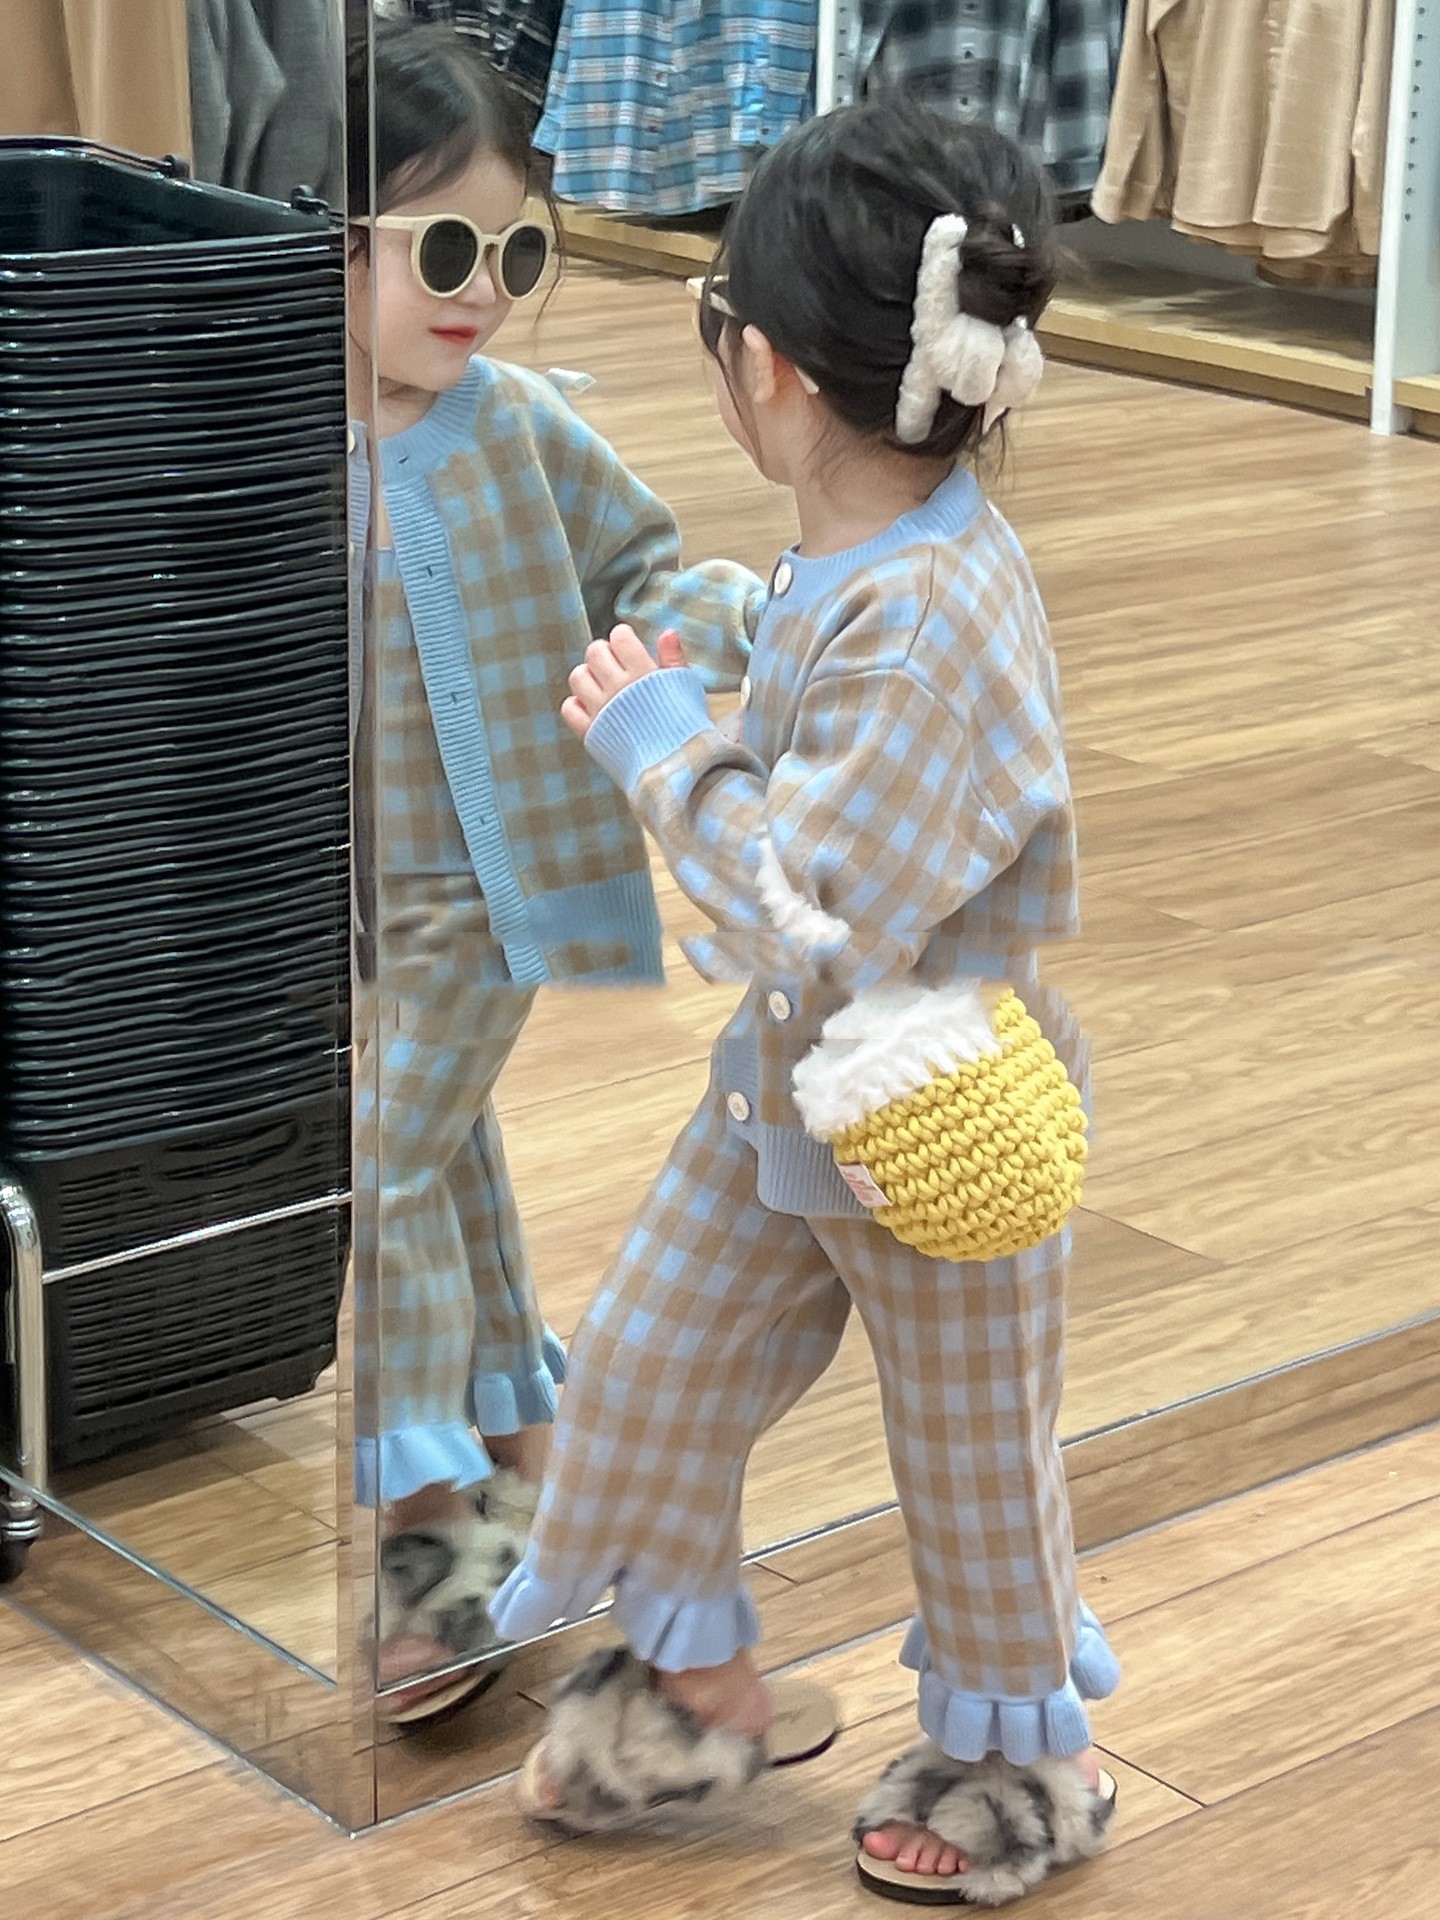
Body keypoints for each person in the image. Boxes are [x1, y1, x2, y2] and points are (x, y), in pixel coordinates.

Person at [489, 100, 1123, 1903]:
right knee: (643, 1371)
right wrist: (725, 687)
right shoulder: (865, 555)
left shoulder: (927, 615)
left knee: (974, 1466)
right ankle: (697, 1678)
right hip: (790, 1093)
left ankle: (1027, 1767)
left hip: (934, 1127)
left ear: (759, 366)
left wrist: (664, 751)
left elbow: (815, 913)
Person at [345, 20, 760, 1713]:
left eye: (517, 256)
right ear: (333, 235)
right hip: (333, 903)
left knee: (373, 1168)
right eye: (447, 250)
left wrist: (685, 654)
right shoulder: (260, 429)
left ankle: (430, 1524)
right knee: (440, 1156)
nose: (487, 295)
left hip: (490, 890)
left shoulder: (514, 427)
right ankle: (536, 1431)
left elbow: (654, 558)